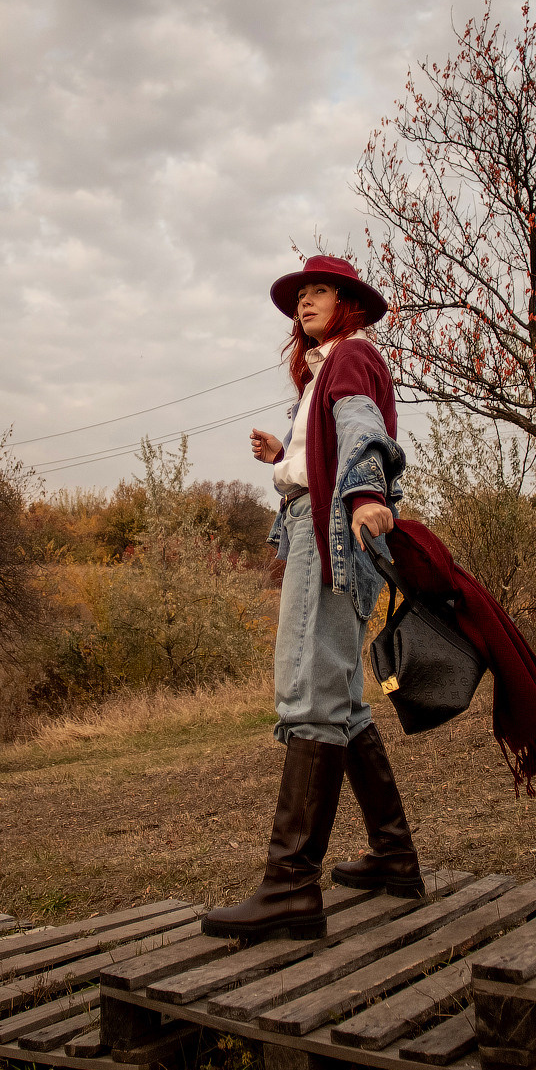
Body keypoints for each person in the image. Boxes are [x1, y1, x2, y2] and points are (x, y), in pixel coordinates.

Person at [201, 255, 422, 942]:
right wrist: (282, 455)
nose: (305, 302)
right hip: (317, 519)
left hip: (329, 526)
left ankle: (292, 886)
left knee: (306, 693)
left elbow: (362, 430)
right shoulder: (325, 368)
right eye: (300, 294)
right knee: (343, 699)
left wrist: (363, 494)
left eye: (319, 291)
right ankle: (394, 856)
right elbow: (322, 447)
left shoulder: (351, 356)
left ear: (348, 302)